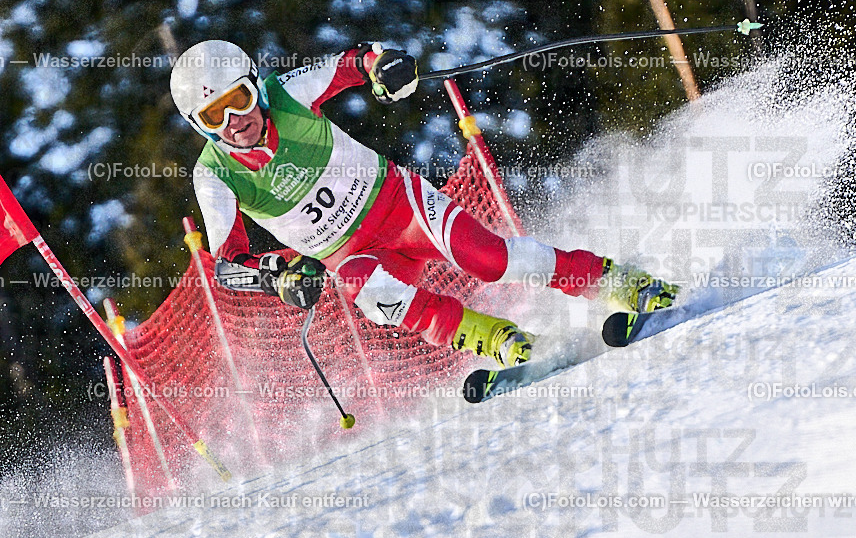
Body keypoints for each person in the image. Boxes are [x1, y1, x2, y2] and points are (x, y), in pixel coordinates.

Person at [169, 40, 677, 367]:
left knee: (492, 261)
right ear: (200, 128)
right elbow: (225, 265)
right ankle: (496, 340)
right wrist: (275, 272)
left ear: (254, 87)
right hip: (351, 255)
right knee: (370, 295)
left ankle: (616, 281)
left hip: (399, 208)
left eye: (237, 100)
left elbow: (355, 62)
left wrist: (384, 66)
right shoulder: (213, 175)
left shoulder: (289, 93)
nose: (233, 121)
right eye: (213, 117)